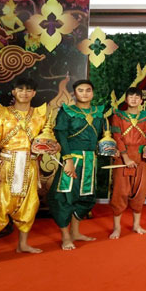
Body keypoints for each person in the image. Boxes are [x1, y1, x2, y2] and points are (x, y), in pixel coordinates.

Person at [0, 76, 48, 264]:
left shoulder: (40, 115)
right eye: (20, 89)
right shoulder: (0, 115)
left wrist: (52, 146)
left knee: (30, 203)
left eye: (28, 90)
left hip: (30, 166)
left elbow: (46, 140)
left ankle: (23, 244)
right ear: (13, 92)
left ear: (33, 93)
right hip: (6, 165)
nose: (24, 93)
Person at [50, 79, 104, 250]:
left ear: (92, 93)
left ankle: (75, 232)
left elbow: (103, 137)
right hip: (72, 159)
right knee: (64, 197)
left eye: (88, 90)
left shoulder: (98, 112)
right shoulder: (67, 111)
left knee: (86, 197)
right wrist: (68, 160)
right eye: (80, 90)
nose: (85, 93)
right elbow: (62, 135)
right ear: (75, 93)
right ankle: (66, 236)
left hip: (90, 161)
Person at [109, 87, 146, 239]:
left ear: (141, 100)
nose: (134, 99)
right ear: (126, 99)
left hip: (141, 158)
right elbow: (117, 137)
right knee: (120, 193)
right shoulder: (118, 116)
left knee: (140, 192)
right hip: (122, 158)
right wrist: (125, 157)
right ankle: (117, 228)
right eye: (130, 96)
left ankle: (136, 225)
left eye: (137, 97)